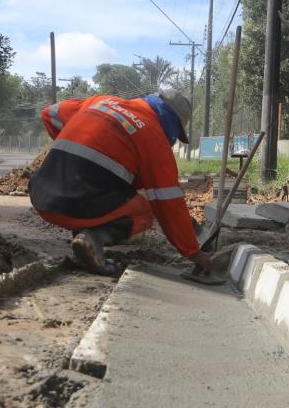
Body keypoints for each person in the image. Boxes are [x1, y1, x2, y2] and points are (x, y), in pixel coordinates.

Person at [28, 88, 213, 276]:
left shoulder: (102, 101)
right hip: (75, 207)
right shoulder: (154, 137)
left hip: (40, 196)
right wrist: (194, 253)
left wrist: (73, 146)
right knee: (146, 210)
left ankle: (84, 233)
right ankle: (93, 237)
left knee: (102, 187)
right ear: (172, 123)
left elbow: (49, 114)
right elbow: (168, 204)